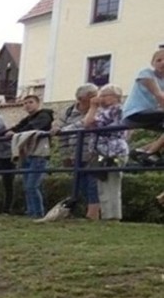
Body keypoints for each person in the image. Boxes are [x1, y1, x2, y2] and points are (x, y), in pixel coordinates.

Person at [5, 94, 55, 219]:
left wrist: (15, 133)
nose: (27, 105)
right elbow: (18, 127)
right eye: (25, 103)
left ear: (38, 103)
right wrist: (6, 133)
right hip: (28, 154)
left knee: (32, 185)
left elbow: (33, 127)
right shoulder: (27, 119)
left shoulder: (45, 116)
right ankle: (31, 212)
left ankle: (38, 213)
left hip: (39, 153)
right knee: (28, 186)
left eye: (30, 102)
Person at [85, 84, 128, 221]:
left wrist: (96, 125)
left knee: (113, 183)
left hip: (115, 151)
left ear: (115, 97)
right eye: (100, 95)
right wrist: (92, 108)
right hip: (100, 153)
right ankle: (106, 215)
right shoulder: (100, 111)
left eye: (104, 95)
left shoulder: (119, 109)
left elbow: (110, 128)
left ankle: (114, 216)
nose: (101, 98)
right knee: (102, 184)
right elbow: (87, 123)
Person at [58, 84, 99, 216]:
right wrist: (65, 155)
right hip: (76, 154)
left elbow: (84, 124)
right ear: (81, 99)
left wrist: (64, 130)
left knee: (93, 185)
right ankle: (83, 213)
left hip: (94, 153)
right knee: (80, 185)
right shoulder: (68, 112)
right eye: (92, 96)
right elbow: (62, 136)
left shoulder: (98, 110)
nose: (96, 98)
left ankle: (93, 215)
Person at [123, 48, 164, 163]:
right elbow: (158, 95)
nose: (163, 63)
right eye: (159, 60)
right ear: (153, 63)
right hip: (135, 113)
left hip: (151, 116)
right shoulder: (146, 73)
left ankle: (141, 150)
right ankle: (150, 153)